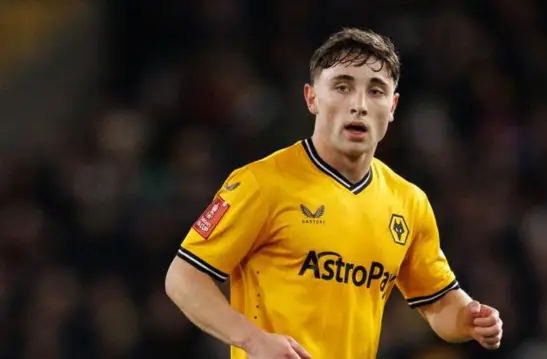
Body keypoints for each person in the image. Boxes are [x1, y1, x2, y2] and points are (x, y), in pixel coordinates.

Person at [165, 27, 503, 359]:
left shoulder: (409, 202)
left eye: (376, 90)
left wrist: (468, 318)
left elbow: (438, 303)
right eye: (342, 87)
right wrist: (252, 340)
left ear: (393, 105)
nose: (358, 104)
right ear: (312, 98)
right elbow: (183, 277)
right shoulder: (262, 183)